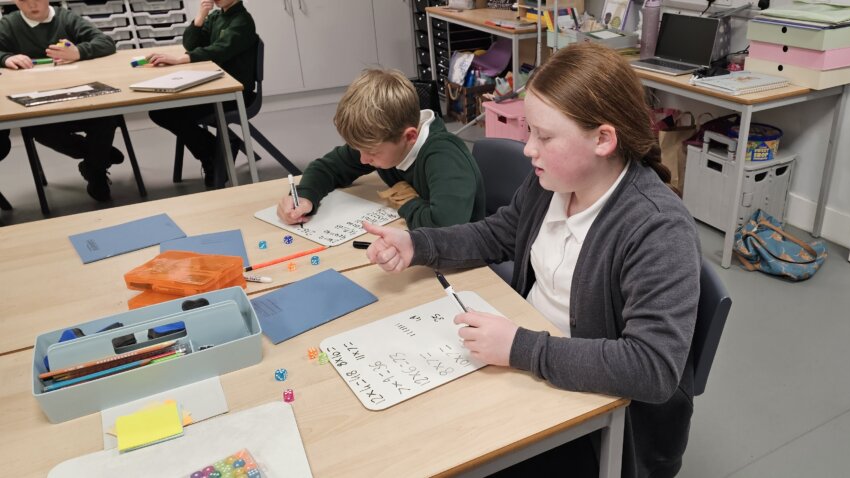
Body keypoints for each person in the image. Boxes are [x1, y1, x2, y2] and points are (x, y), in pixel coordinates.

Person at [361, 42, 701, 477]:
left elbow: (651, 368)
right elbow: (495, 234)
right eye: (529, 132)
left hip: (597, 416)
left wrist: (520, 347)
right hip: (534, 363)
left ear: (603, 139)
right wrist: (419, 246)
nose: (528, 149)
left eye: (544, 136)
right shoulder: (552, 183)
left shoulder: (657, 229)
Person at [276, 69, 485, 229]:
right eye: (360, 150)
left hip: (465, 263)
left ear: (410, 136)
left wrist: (408, 202)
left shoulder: (444, 157)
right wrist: (305, 196)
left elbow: (444, 228)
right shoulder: (383, 142)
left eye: (372, 153)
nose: (364, 160)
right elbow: (327, 168)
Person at [0, 0, 122, 201]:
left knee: (105, 118)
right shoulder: (8, 24)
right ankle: (99, 157)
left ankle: (95, 169)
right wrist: (5, 58)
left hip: (79, 96)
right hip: (38, 102)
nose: (32, 5)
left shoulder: (65, 18)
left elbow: (106, 42)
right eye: (24, 0)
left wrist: (79, 52)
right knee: (38, 129)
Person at [146, 0, 257, 189]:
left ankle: (213, 156)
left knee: (164, 112)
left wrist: (181, 60)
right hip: (215, 87)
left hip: (234, 94)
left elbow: (220, 50)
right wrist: (200, 17)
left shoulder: (242, 21)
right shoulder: (216, 16)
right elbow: (191, 44)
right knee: (159, 111)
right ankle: (216, 152)